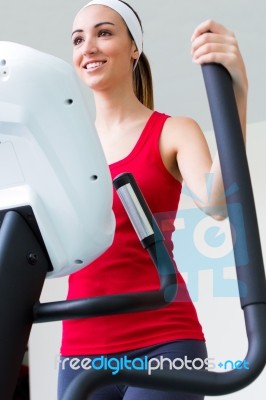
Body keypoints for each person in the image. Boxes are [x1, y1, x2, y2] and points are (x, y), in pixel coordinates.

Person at [57, 0, 248, 399]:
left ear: (133, 49)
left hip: (165, 342)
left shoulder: (172, 131)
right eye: (78, 39)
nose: (88, 47)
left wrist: (237, 94)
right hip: (81, 350)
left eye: (104, 32)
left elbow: (216, 204)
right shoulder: (65, 147)